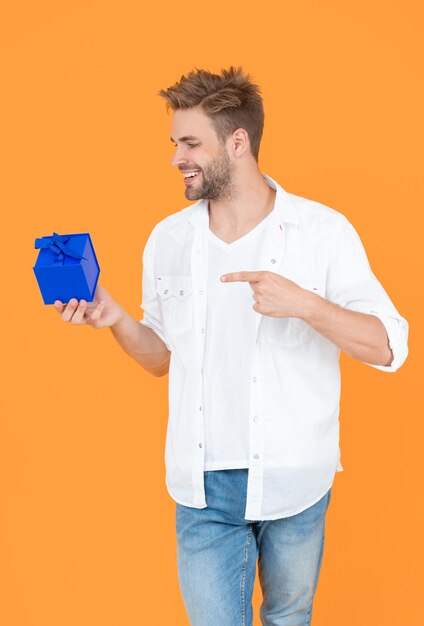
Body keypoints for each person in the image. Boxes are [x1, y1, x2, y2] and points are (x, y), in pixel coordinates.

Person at [54, 66, 409, 626]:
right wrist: (116, 318)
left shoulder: (322, 231)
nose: (176, 157)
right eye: (175, 143)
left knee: (290, 617)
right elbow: (161, 360)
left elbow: (390, 347)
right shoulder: (168, 239)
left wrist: (306, 304)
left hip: (296, 478)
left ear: (237, 142)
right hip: (202, 485)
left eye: (190, 142)